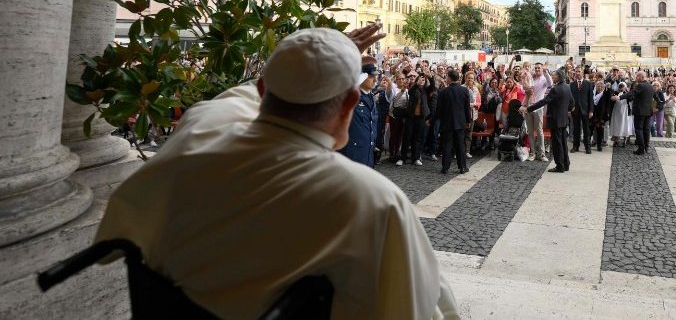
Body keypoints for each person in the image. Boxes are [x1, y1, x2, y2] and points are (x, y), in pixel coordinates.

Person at [96, 24, 460, 319]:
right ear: (352, 101)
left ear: (262, 86)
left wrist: (319, 58)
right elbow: (415, 306)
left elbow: (237, 100)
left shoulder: (202, 126)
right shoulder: (369, 200)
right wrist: (333, 59)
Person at [521, 68, 573, 173]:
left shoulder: (555, 89)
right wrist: (564, 111)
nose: (552, 77)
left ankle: (560, 166)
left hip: (555, 120)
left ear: (558, 77)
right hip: (563, 119)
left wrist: (528, 108)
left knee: (557, 144)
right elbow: (572, 103)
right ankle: (566, 164)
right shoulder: (567, 87)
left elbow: (544, 101)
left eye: (554, 75)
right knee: (563, 143)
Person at [338, 58, 379, 167]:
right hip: (352, 155)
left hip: (367, 154)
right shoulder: (351, 97)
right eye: (371, 76)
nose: (375, 80)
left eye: (375, 76)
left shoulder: (370, 97)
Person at [438, 69, 472, 174]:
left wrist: (434, 119)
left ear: (449, 78)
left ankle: (445, 168)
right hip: (460, 123)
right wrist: (468, 120)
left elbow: (439, 109)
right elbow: (467, 108)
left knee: (447, 145)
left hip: (447, 122)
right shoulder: (464, 91)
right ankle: (462, 167)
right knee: (460, 146)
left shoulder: (443, 91)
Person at [524, 63, 552, 162]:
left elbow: (550, 84)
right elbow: (525, 90)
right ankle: (532, 153)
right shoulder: (531, 78)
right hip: (529, 107)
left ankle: (542, 153)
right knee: (530, 131)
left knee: (539, 131)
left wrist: (546, 71)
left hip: (538, 108)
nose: (537, 69)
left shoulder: (544, 79)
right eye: (535, 68)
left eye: (538, 68)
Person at [623, 70, 654, 155]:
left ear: (642, 77)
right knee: (646, 130)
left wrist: (620, 97)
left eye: (637, 76)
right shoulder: (650, 86)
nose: (636, 78)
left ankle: (641, 148)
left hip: (640, 111)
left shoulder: (640, 85)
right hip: (648, 111)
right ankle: (646, 147)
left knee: (639, 129)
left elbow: (631, 93)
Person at [404, 74, 430, 166]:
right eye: (420, 80)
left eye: (423, 80)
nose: (421, 81)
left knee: (418, 138)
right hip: (411, 116)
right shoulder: (413, 89)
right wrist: (416, 83)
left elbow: (433, 86)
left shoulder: (425, 90)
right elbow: (410, 92)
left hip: (421, 117)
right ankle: (403, 158)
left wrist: (429, 76)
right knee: (407, 137)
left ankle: (416, 158)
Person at [569, 68, 594, 154]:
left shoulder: (588, 84)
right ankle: (576, 146)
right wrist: (570, 108)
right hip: (575, 110)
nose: (577, 73)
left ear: (583, 73)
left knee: (586, 129)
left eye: (579, 71)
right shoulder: (571, 84)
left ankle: (588, 147)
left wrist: (591, 110)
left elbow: (591, 98)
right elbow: (570, 98)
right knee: (576, 129)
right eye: (576, 71)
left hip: (585, 110)